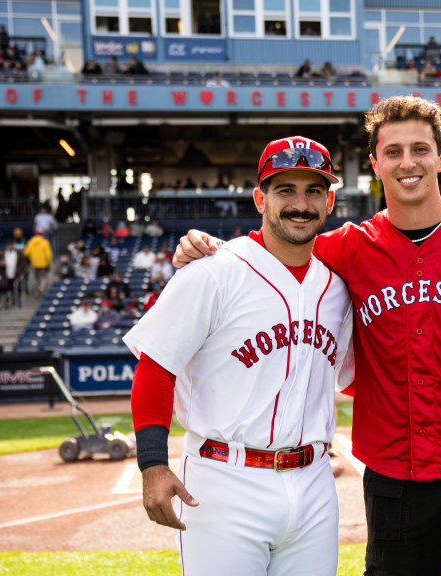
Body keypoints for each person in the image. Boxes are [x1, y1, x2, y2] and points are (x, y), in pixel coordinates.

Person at [173, 96, 441, 576]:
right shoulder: (347, 247)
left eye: (419, 149)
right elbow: (275, 247)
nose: (407, 162)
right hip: (395, 478)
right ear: (375, 163)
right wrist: (209, 248)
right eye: (393, 152)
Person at [123, 134, 351, 575]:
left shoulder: (337, 287)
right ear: (259, 198)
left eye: (314, 191)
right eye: (286, 190)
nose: (300, 203)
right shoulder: (213, 272)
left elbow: (350, 376)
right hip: (224, 479)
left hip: (314, 481)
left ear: (330, 202)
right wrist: (152, 464)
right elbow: (155, 368)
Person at [23, 230, 53, 296]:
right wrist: (49, 263)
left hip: (34, 263)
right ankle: (41, 288)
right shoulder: (45, 242)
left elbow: (26, 252)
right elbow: (48, 254)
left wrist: (31, 259)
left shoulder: (31, 242)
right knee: (44, 277)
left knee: (36, 278)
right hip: (44, 263)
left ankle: (36, 291)